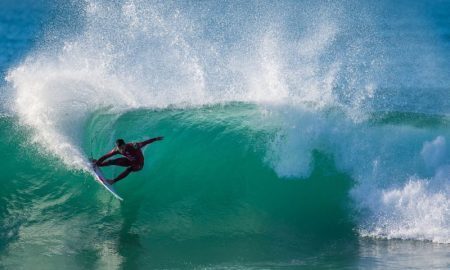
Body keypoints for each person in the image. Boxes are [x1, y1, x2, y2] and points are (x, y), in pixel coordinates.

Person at [93, 136, 164, 185]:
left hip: (139, 164)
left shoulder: (134, 146)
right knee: (112, 161)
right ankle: (99, 164)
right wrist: (98, 162)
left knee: (129, 169)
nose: (121, 149)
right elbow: (106, 156)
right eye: (119, 148)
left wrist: (155, 139)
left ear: (125, 144)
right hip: (129, 161)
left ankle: (113, 181)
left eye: (122, 147)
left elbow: (145, 142)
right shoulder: (117, 150)